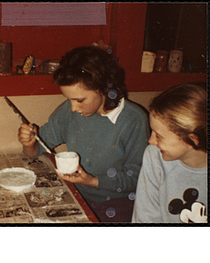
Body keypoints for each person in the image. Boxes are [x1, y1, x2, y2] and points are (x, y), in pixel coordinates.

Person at [18, 46, 150, 222]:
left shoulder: (133, 120)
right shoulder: (69, 111)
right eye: (68, 99)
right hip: (76, 196)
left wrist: (93, 181)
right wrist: (29, 143)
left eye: (80, 100)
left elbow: (136, 178)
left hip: (117, 204)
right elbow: (38, 148)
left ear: (104, 87)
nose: (73, 108)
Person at [132, 82, 207, 223]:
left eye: (158, 136)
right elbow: (145, 220)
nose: (151, 140)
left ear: (192, 140)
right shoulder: (155, 155)